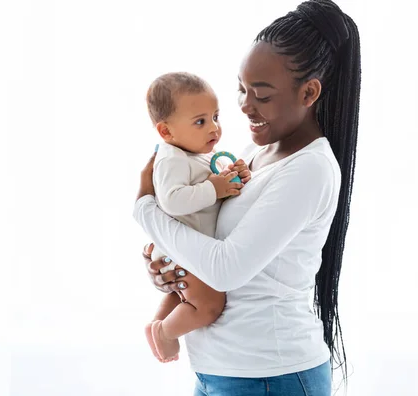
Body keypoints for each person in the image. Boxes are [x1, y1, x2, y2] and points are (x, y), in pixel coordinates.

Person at [135, 0, 360, 394]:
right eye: (241, 88)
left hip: (270, 377)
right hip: (221, 373)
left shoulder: (310, 169)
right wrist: (172, 271)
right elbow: (208, 244)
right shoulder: (255, 153)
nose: (244, 105)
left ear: (309, 92)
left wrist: (146, 210)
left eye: (261, 94)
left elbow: (225, 269)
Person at [143, 72, 251, 363]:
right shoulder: (171, 158)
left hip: (184, 250)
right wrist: (214, 188)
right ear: (166, 132)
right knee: (209, 305)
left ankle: (156, 327)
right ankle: (165, 333)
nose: (214, 127)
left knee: (185, 296)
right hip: (179, 251)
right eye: (201, 121)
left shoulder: (193, 156)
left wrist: (229, 181)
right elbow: (173, 200)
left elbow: (206, 200)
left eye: (216, 116)